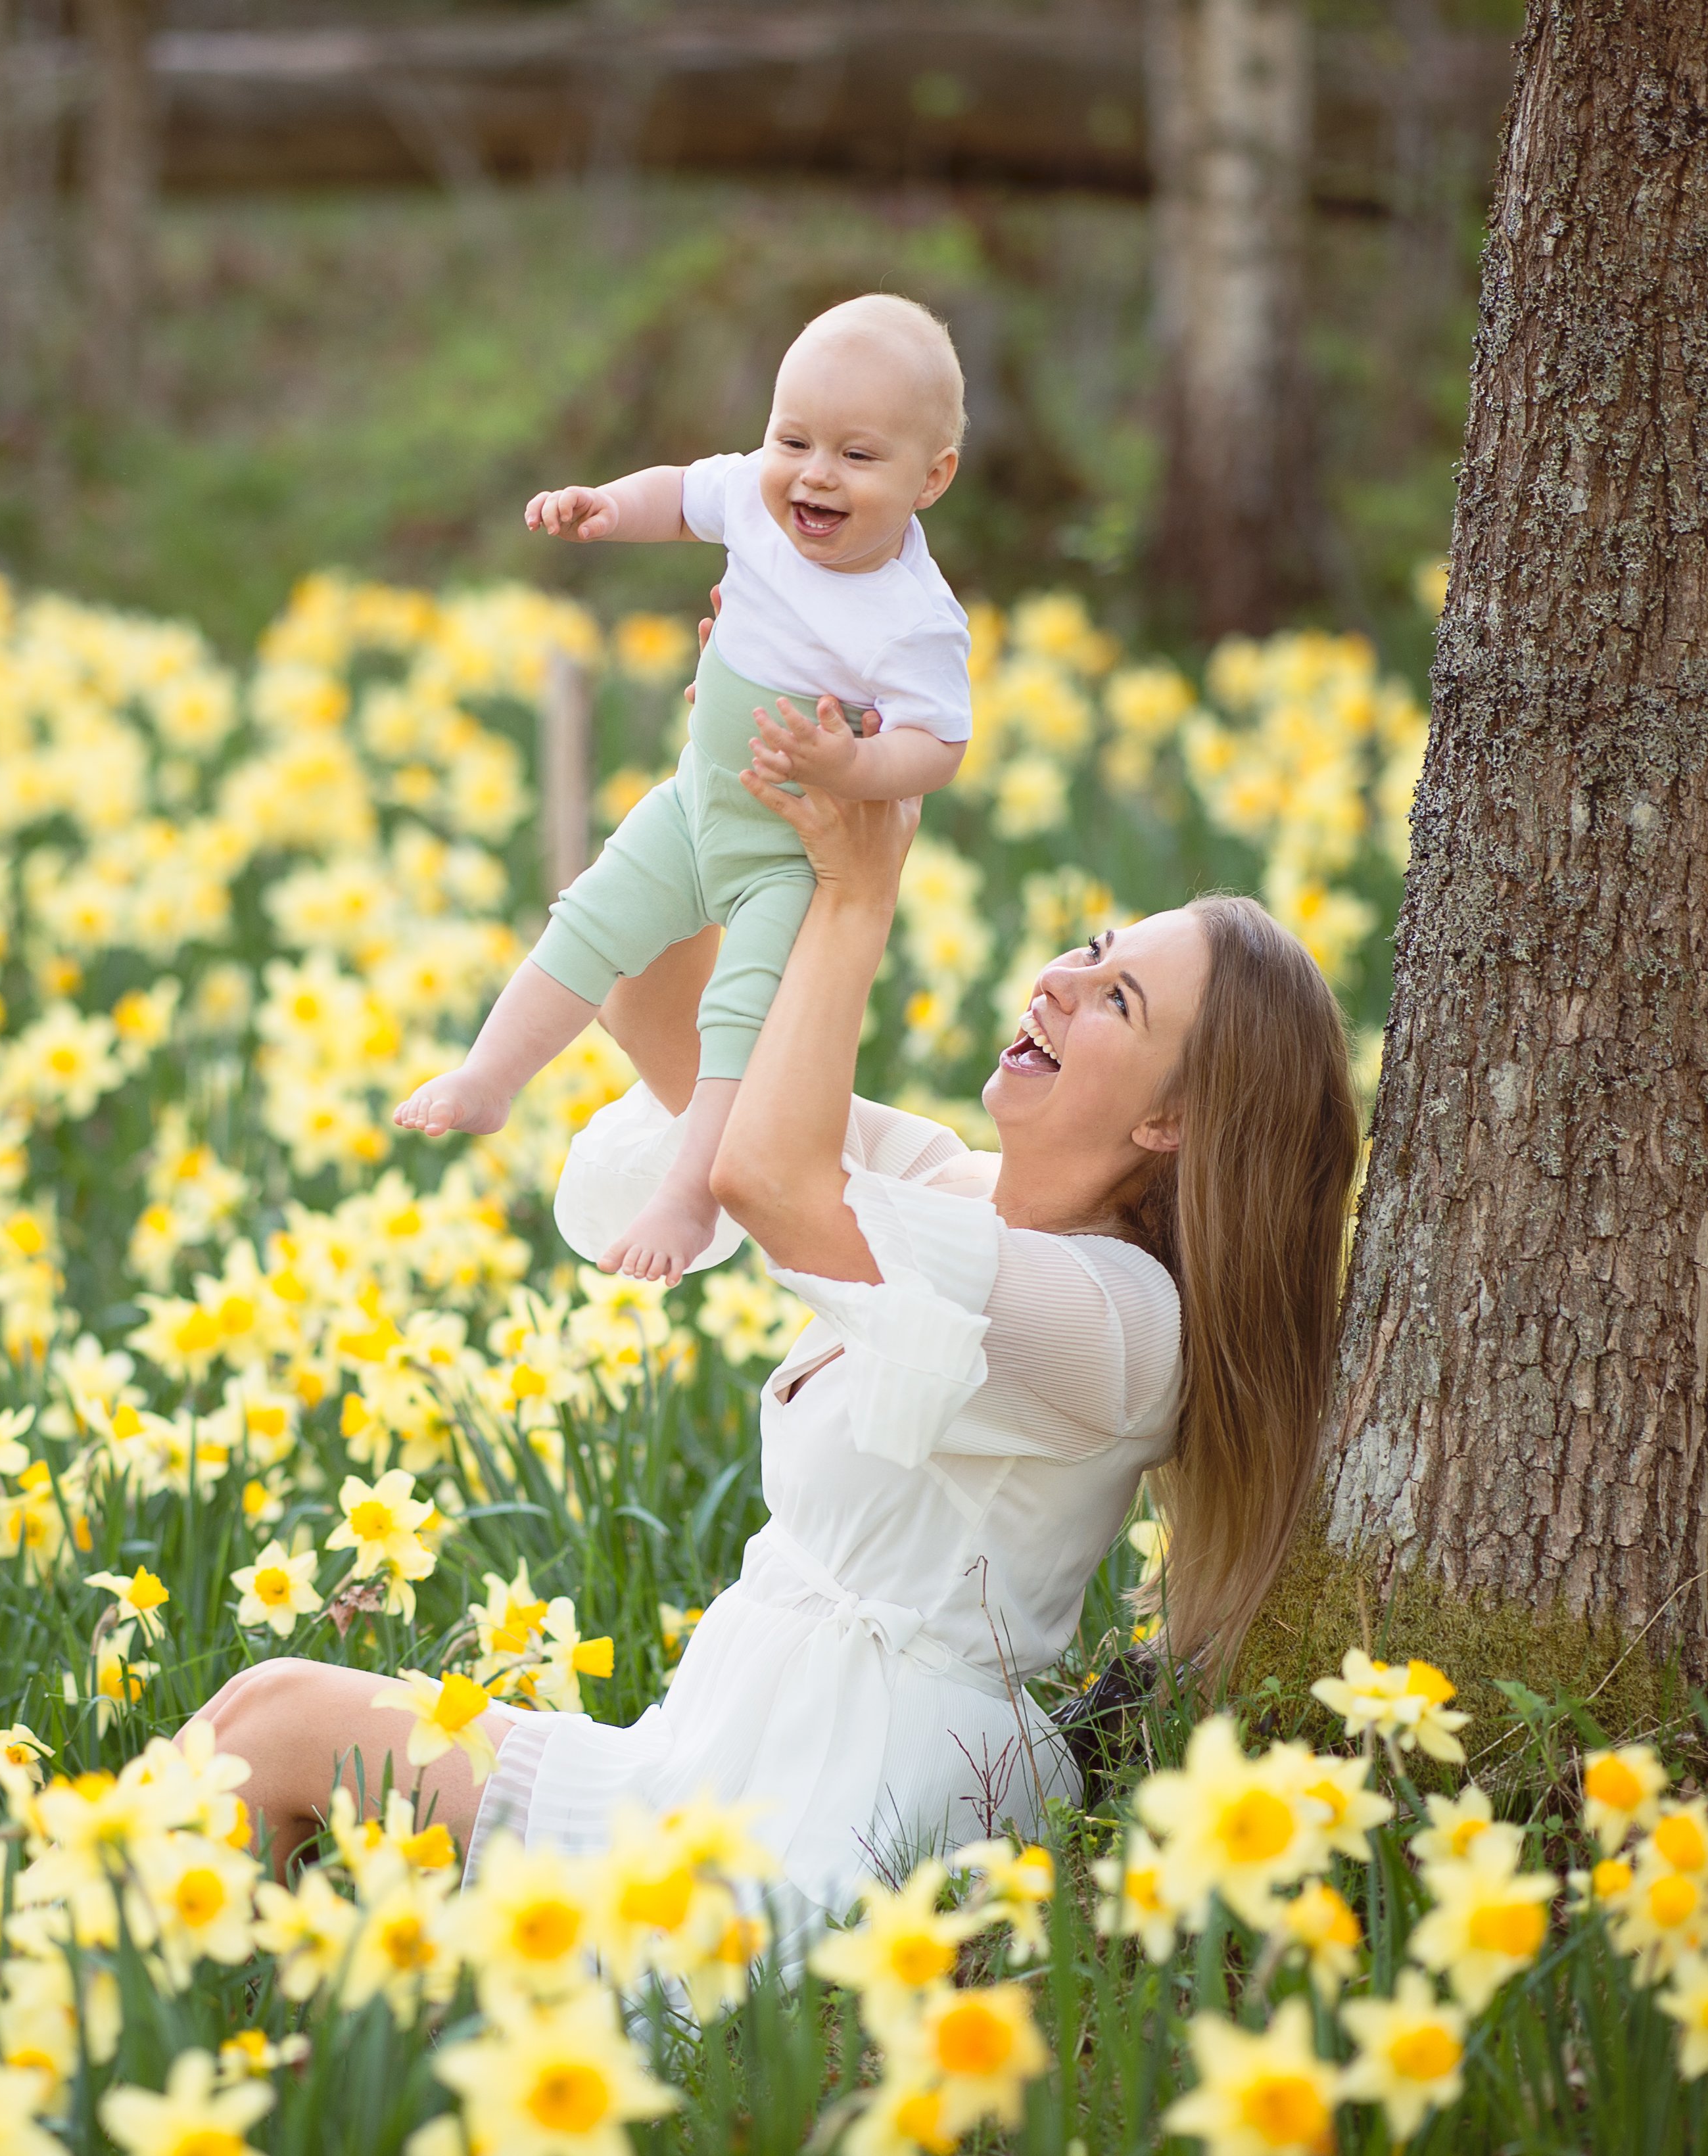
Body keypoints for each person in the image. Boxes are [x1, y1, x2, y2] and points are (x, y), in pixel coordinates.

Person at [199, 774, 1361, 1919]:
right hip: (723, 1750)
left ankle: (104, 1983)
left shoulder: (1118, 1324)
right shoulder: (945, 1183)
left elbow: (764, 1173)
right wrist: (748, 754)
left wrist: (858, 903)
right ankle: (142, 1976)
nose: (1059, 981)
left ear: (1171, 1122)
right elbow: (654, 1001)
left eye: (1118, 1002)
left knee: (274, 1724)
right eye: (1091, 951)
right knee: (264, 1709)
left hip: (835, 1807)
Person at [392, 294, 976, 1286]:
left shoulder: (911, 616)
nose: (813, 474)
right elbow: (678, 495)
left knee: (739, 1018)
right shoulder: (756, 496)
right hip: (694, 801)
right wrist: (607, 508)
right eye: (793, 439)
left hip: (787, 852)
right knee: (587, 919)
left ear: (933, 480)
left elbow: (939, 743)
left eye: (858, 456)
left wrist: (854, 769)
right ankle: (490, 1076)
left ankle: (690, 1194)